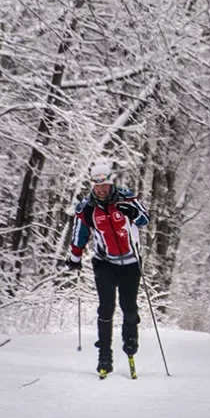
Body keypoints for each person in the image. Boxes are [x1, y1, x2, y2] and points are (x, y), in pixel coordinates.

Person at [66, 161, 149, 376]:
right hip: (104, 262)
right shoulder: (87, 209)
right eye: (97, 186)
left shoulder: (126, 197)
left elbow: (144, 219)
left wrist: (132, 212)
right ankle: (104, 356)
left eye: (105, 185)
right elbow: (79, 233)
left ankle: (130, 344)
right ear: (92, 186)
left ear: (111, 184)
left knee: (128, 307)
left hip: (131, 262)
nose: (101, 190)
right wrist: (74, 257)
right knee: (106, 308)